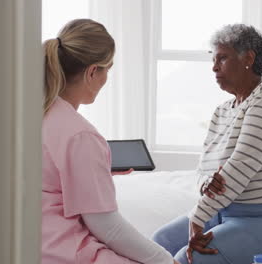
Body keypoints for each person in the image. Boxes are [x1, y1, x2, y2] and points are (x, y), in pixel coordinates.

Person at [152, 24, 262, 264]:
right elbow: (204, 171)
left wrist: (198, 218)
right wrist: (207, 184)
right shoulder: (222, 112)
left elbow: (241, 167)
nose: (214, 67)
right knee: (158, 244)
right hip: (225, 210)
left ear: (248, 58)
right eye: (213, 59)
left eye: (222, 58)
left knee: (191, 258)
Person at [42, 19, 179, 264]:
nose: (106, 79)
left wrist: (94, 178)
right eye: (108, 69)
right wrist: (166, 260)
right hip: (67, 252)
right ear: (93, 71)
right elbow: (108, 227)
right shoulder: (80, 135)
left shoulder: (35, 115)